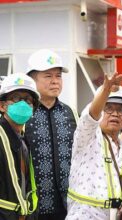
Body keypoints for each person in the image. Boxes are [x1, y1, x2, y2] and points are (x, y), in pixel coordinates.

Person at [66, 73, 122, 220]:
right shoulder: (88, 137)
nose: (115, 114)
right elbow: (92, 116)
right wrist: (106, 90)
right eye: (108, 108)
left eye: (121, 110)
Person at [24, 49, 78, 220]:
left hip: (68, 205)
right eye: (48, 76)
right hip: (33, 206)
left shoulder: (70, 112)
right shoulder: (23, 114)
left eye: (58, 76)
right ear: (32, 79)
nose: (55, 81)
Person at [0, 73, 40, 220]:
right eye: (16, 98)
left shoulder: (23, 138)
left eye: (28, 100)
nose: (23, 104)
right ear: (2, 106)